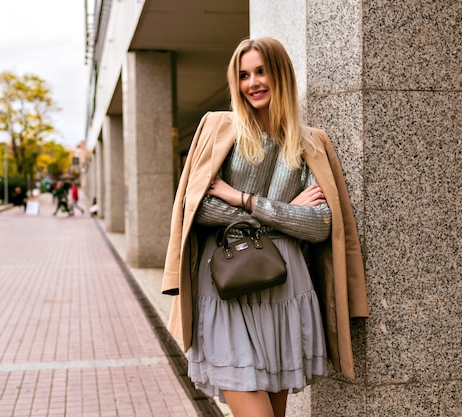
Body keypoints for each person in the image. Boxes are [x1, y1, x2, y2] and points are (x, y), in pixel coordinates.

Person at [161, 37, 369, 417]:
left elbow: (320, 224)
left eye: (261, 71)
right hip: (224, 288)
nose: (252, 82)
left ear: (281, 75)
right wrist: (286, 214)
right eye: (243, 75)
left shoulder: (311, 143)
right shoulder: (218, 129)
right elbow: (201, 209)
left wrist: (244, 200)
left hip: (285, 289)